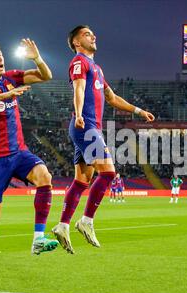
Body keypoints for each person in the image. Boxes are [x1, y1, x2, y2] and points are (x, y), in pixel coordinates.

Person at [52, 25, 155, 254]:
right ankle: (86, 221)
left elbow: (112, 97)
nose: (93, 36)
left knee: (82, 180)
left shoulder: (96, 69)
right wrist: (79, 114)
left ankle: (62, 224)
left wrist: (138, 111)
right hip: (85, 125)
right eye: (87, 34)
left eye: (93, 33)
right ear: (77, 42)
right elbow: (78, 88)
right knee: (108, 172)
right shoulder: (80, 61)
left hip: (87, 126)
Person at [0, 39, 57, 287]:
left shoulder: (11, 77)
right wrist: (6, 94)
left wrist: (37, 58)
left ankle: (38, 238)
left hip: (19, 152)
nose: (0, 59)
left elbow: (45, 76)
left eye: (0, 54)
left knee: (45, 177)